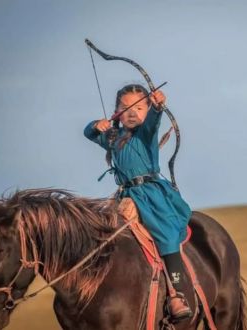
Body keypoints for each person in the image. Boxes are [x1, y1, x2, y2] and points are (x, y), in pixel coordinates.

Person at [83, 84, 193, 322]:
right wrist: (95, 125)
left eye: (138, 107)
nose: (132, 113)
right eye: (125, 108)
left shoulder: (146, 133)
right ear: (116, 113)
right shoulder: (112, 137)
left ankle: (177, 292)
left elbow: (154, 120)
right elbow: (89, 133)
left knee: (165, 233)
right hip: (125, 197)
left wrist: (157, 106)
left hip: (151, 196)